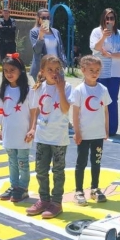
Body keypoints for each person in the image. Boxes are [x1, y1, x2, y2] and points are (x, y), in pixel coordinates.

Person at [26, 55, 72, 219]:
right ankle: (44, 200)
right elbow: (35, 111)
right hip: (42, 137)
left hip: (59, 138)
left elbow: (66, 109)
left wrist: (60, 89)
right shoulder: (38, 88)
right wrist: (32, 129)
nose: (54, 73)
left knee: (58, 171)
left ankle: (56, 202)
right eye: (50, 70)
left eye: (57, 70)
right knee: (40, 170)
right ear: (42, 71)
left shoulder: (67, 87)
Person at [71, 55, 111, 205]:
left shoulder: (103, 89)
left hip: (98, 134)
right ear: (83, 70)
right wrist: (77, 132)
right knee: (81, 162)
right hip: (84, 134)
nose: (95, 73)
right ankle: (79, 190)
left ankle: (94, 188)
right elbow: (75, 113)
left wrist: (106, 129)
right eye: (91, 70)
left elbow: (106, 111)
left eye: (97, 70)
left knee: (96, 162)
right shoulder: (79, 90)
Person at [0, 53, 36, 203]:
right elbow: (3, 113)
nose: (9, 74)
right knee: (12, 161)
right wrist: (1, 130)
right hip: (9, 133)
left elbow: (34, 112)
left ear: (20, 70)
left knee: (22, 162)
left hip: (23, 134)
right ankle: (14, 185)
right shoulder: (4, 89)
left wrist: (32, 129)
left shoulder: (28, 90)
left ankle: (23, 188)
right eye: (6, 70)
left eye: (12, 70)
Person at [89, 9, 120, 136]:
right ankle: (98, 127)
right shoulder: (96, 32)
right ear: (103, 19)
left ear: (115, 20)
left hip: (115, 73)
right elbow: (94, 47)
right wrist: (103, 37)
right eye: (107, 18)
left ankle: (112, 129)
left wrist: (110, 55)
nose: (109, 21)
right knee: (98, 99)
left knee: (112, 100)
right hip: (99, 72)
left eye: (112, 18)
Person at [29, 8, 67, 83]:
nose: (46, 20)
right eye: (43, 18)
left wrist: (63, 63)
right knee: (43, 93)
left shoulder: (56, 32)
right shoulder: (34, 32)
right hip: (42, 69)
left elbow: (61, 49)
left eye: (48, 18)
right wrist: (40, 37)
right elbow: (36, 51)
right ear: (38, 19)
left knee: (58, 91)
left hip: (57, 68)